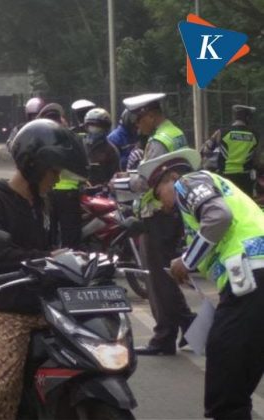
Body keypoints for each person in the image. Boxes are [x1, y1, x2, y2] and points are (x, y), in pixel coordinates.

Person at [0, 119, 89, 420]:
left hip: (48, 305)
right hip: (10, 309)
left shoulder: (42, 202)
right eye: (54, 171)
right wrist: (48, 256)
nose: (57, 178)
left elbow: (51, 249)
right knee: (1, 388)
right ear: (35, 166)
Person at [142, 148, 264, 420]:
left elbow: (219, 217)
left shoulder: (189, 182)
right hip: (251, 281)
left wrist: (187, 261)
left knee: (225, 382)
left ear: (172, 178)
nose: (162, 204)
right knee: (238, 375)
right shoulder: (212, 190)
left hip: (253, 278)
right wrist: (190, 261)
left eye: (158, 194)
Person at [112, 92, 194, 355]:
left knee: (158, 281)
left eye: (139, 121)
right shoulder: (175, 133)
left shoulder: (158, 141)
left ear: (149, 115)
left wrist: (122, 181)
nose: (138, 127)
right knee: (165, 275)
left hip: (157, 214)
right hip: (171, 211)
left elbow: (148, 179)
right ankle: (189, 327)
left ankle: (164, 338)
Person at [39, 103, 83, 249]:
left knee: (48, 234)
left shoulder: (40, 139)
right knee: (71, 237)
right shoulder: (71, 138)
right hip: (68, 193)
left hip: (47, 192)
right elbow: (81, 164)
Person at [202, 105, 258, 196]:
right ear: (247, 118)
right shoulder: (255, 135)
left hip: (225, 178)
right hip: (245, 179)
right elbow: (256, 158)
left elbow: (206, 150)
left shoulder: (222, 132)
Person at [83, 107, 120, 186]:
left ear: (105, 128)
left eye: (97, 127)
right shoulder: (81, 146)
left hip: (102, 191)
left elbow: (115, 175)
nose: (93, 129)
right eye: (91, 126)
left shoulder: (110, 150)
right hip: (82, 188)